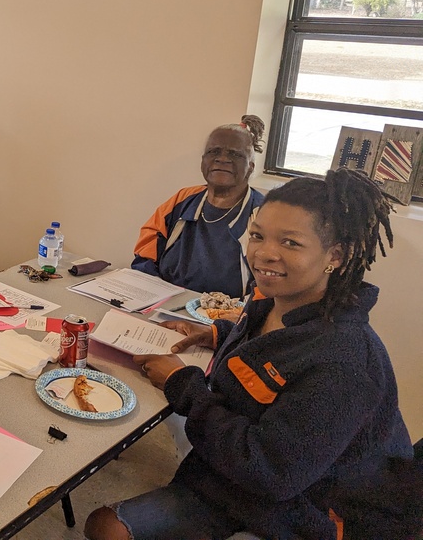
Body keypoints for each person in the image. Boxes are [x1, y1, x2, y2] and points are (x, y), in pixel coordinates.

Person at [85, 168, 415, 540]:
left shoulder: (346, 362)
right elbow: (268, 350)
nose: (263, 254)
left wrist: (183, 385)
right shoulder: (274, 304)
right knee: (103, 524)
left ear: (335, 255)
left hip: (297, 512)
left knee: (112, 530)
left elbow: (271, 472)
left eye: (290, 243)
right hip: (232, 476)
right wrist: (213, 333)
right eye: (257, 236)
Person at [132, 115, 266, 299]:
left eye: (235, 154)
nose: (222, 159)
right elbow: (146, 255)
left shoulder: (263, 214)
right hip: (163, 305)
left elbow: (269, 283)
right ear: (203, 161)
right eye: (214, 152)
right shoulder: (183, 199)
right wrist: (153, 296)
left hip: (226, 319)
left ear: (250, 167)